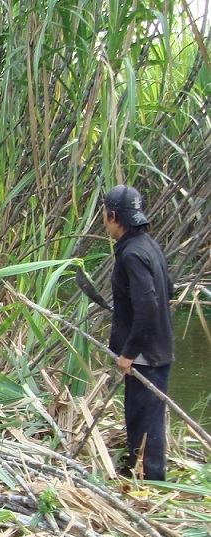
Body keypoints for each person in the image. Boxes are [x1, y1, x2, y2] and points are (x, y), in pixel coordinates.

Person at [102, 184, 174, 481]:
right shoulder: (148, 245)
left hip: (145, 354)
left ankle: (152, 483)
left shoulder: (131, 254)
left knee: (146, 421)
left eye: (104, 215)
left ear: (114, 216)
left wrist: (129, 353)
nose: (104, 221)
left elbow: (147, 307)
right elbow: (167, 290)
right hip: (158, 347)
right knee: (140, 416)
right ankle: (137, 473)